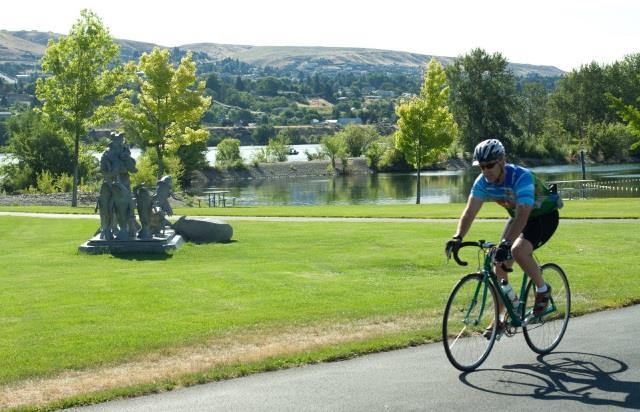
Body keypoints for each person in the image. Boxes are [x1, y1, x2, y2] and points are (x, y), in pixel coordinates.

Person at [445, 139, 562, 336]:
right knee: (497, 263)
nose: (486, 170)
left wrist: (507, 244)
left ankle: (543, 289)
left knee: (517, 250)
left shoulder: (520, 177)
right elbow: (469, 212)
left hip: (543, 217)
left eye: (490, 165)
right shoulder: (482, 182)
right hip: (518, 218)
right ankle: (501, 318)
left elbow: (524, 213)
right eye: (482, 167)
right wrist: (457, 237)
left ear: (502, 161)